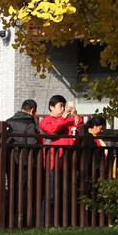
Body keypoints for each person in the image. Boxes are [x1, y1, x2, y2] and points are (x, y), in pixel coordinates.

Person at [38, 95, 83, 226]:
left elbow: (80, 129)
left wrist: (75, 117)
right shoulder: (46, 120)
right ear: (51, 107)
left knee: (66, 196)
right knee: (51, 196)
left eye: (64, 106)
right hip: (52, 163)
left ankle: (62, 223)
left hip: (68, 163)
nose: (63, 109)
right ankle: (45, 224)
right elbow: (50, 130)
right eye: (60, 106)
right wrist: (63, 118)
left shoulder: (68, 120)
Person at [3, 99, 41, 227]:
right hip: (24, 162)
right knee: (23, 191)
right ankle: (22, 221)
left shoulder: (9, 121)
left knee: (12, 188)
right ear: (33, 111)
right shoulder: (29, 123)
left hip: (10, 160)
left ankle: (8, 220)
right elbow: (31, 143)